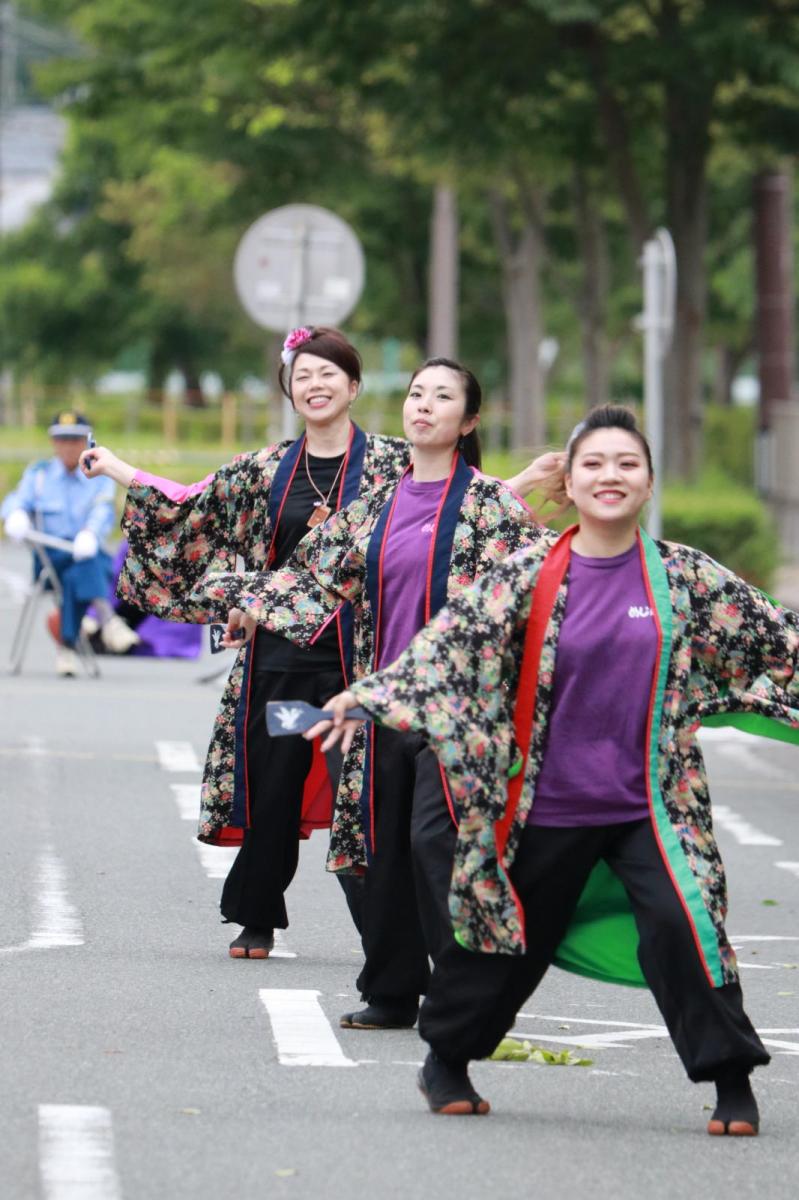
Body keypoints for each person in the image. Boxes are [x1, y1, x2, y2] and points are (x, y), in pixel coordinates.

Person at [312, 405, 799, 1135]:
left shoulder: (686, 579)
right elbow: (449, 647)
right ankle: (447, 1057)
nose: (610, 476)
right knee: (507, 939)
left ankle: (730, 1079)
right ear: (569, 484)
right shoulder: (527, 576)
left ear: (648, 482)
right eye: (593, 464)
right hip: (544, 805)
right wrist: (367, 696)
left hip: (653, 805)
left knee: (687, 924)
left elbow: (777, 640)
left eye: (626, 464)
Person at [80, 328, 550, 960]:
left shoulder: (394, 463)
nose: (315, 385)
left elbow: (457, 512)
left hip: (362, 662)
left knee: (362, 797)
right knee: (272, 786)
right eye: (302, 376)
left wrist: (527, 481)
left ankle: (389, 948)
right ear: (289, 390)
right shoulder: (265, 469)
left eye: (329, 374)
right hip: (280, 659)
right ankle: (258, 916)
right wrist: (118, 470)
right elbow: (192, 507)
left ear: (354, 387)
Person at [195, 355, 556, 1026]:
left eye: (441, 397)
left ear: (467, 421)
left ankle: (463, 997)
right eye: (416, 393)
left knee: (436, 847)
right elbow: (308, 579)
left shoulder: (491, 506)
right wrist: (230, 595)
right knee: (372, 852)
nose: (423, 405)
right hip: (378, 705)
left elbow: (543, 591)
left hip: (457, 713)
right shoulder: (375, 507)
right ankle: (390, 992)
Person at [1, 409, 140, 676]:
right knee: (92, 562)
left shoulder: (98, 476)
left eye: (75, 440)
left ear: (85, 443)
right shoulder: (39, 475)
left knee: (82, 566)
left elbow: (103, 512)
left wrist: (90, 532)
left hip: (83, 554)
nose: (68, 447)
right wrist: (15, 514)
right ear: (53, 442)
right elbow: (16, 500)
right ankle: (106, 618)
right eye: (62, 440)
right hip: (48, 559)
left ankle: (67, 647)